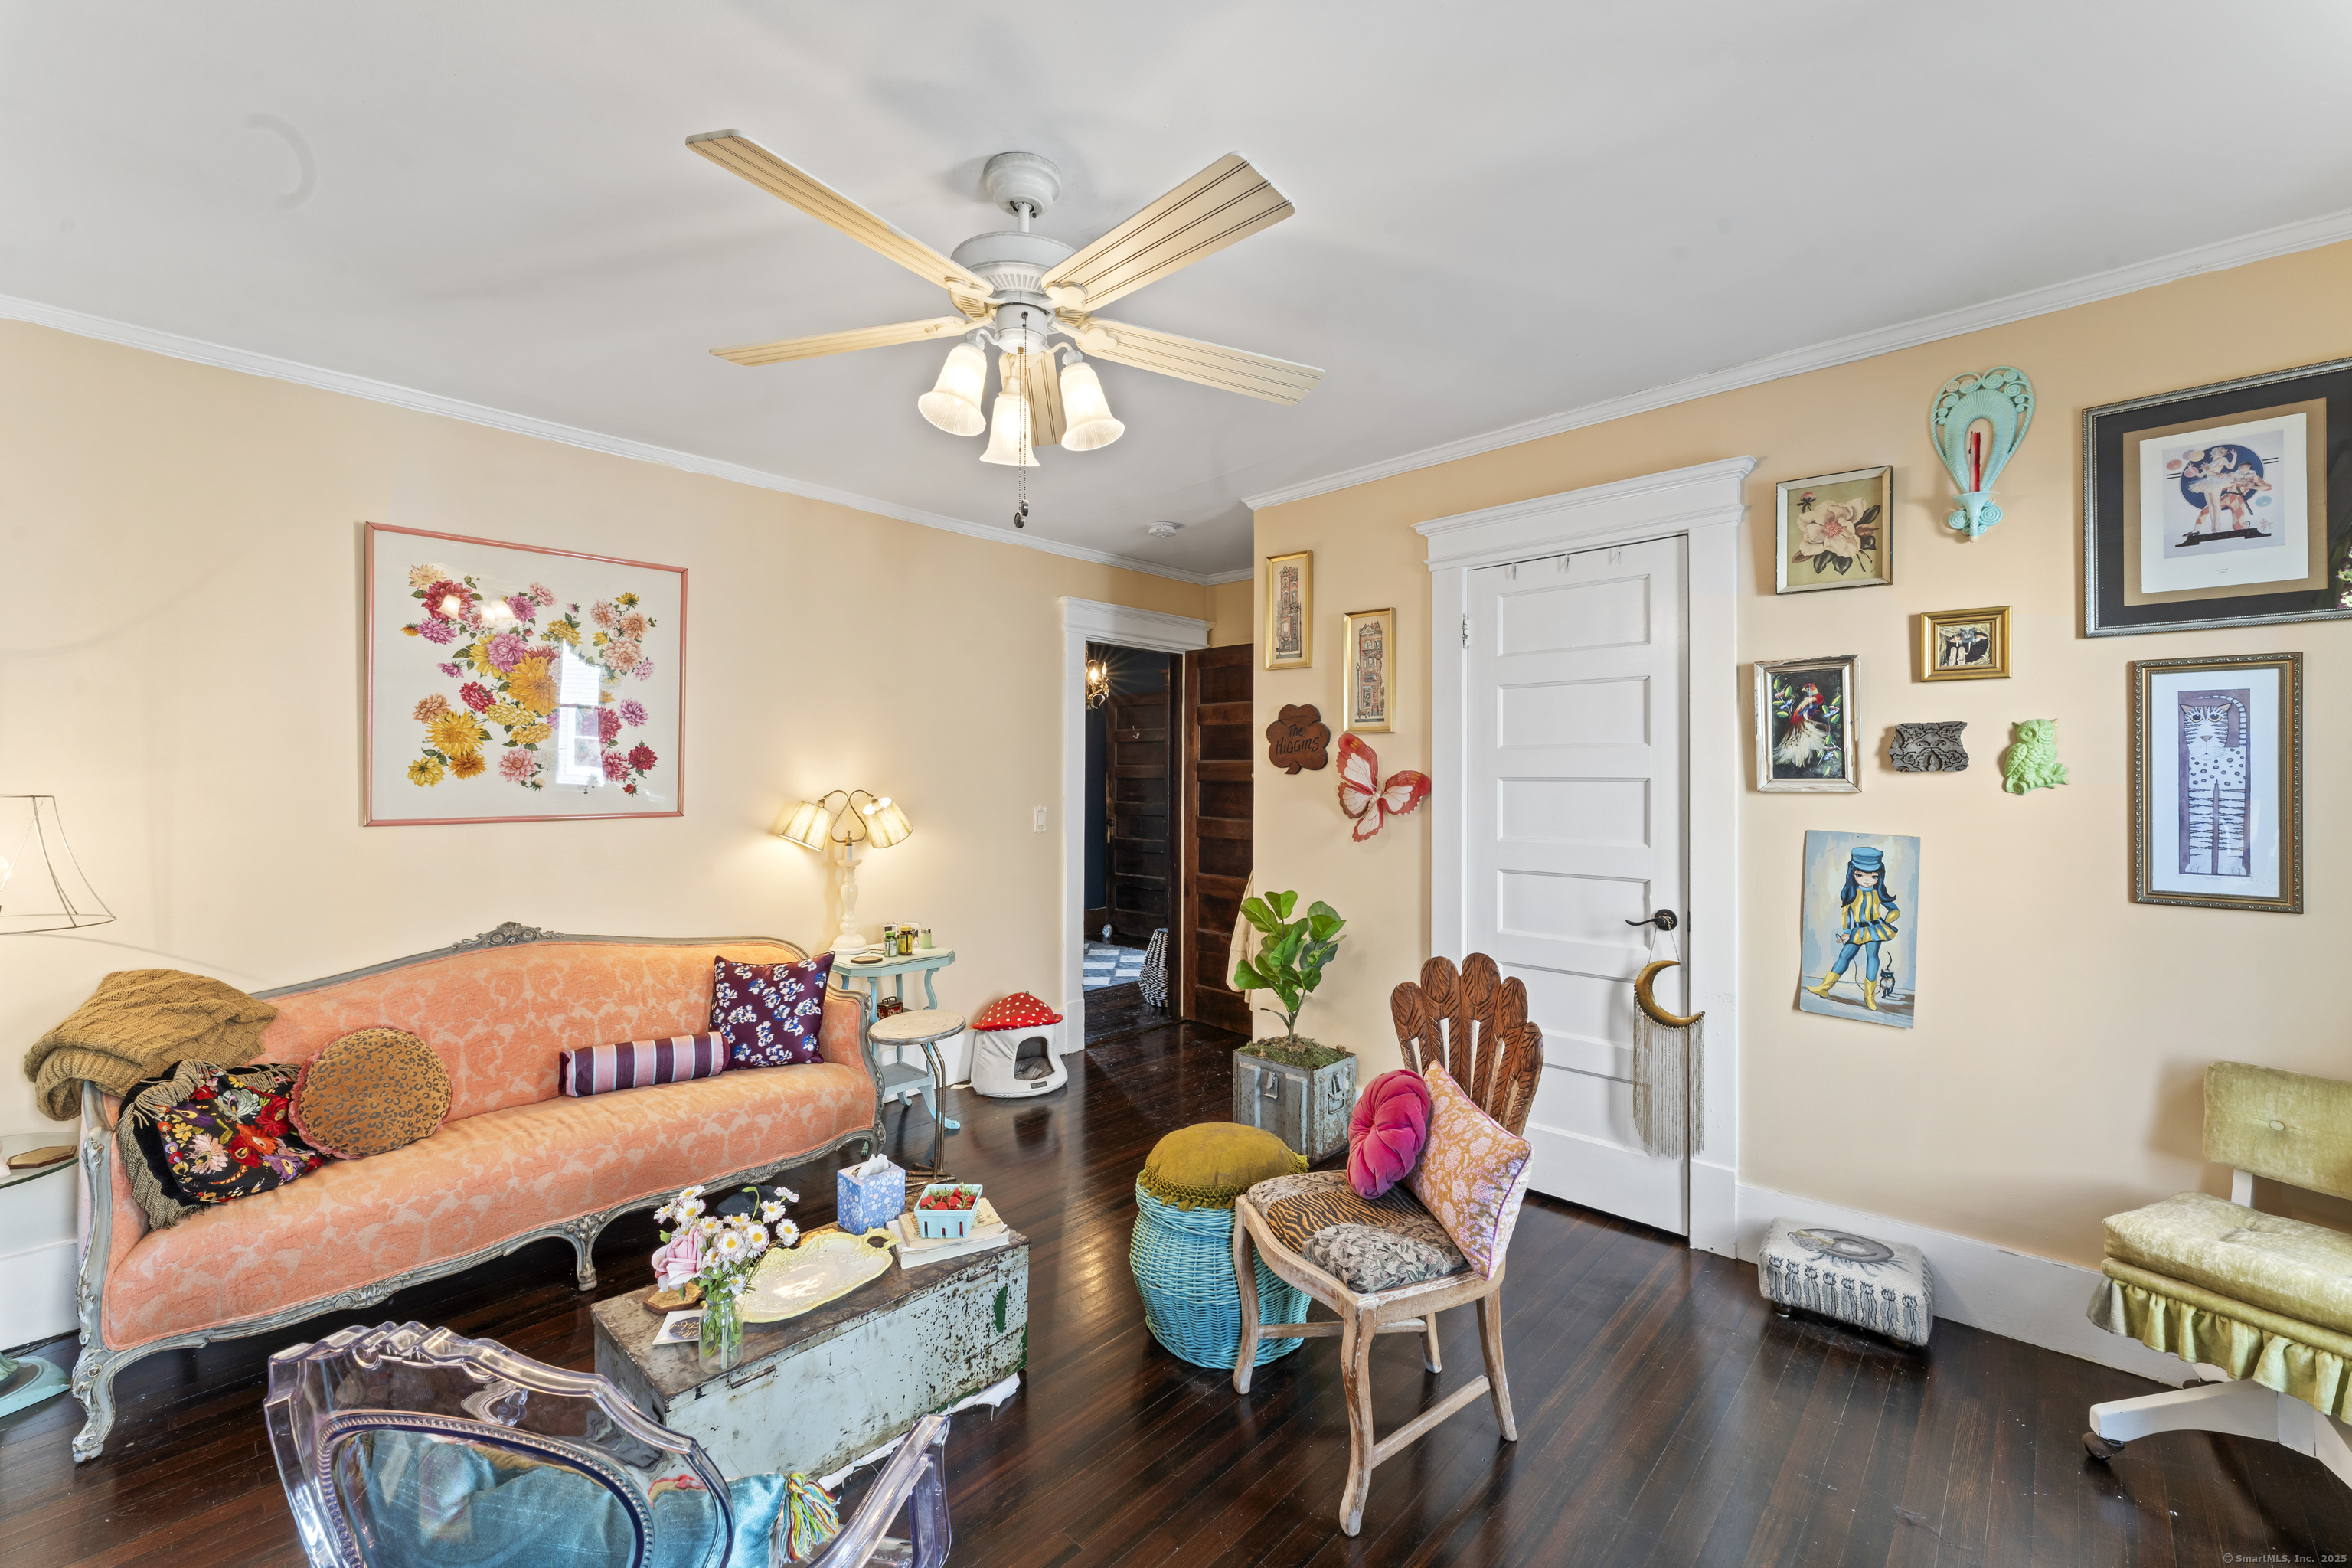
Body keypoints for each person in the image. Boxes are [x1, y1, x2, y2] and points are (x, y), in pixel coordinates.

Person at [1804, 844, 1900, 1011]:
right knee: (1844, 957)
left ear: (1879, 876)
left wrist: (1886, 921)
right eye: (1860, 875)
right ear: (1853, 873)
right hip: (1856, 931)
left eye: (1873, 876)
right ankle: (1824, 988)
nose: (1867, 879)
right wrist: (1847, 932)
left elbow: (1895, 911)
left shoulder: (1878, 893)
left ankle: (1869, 996)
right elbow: (1846, 915)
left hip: (1874, 928)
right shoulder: (1851, 892)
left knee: (1872, 957)